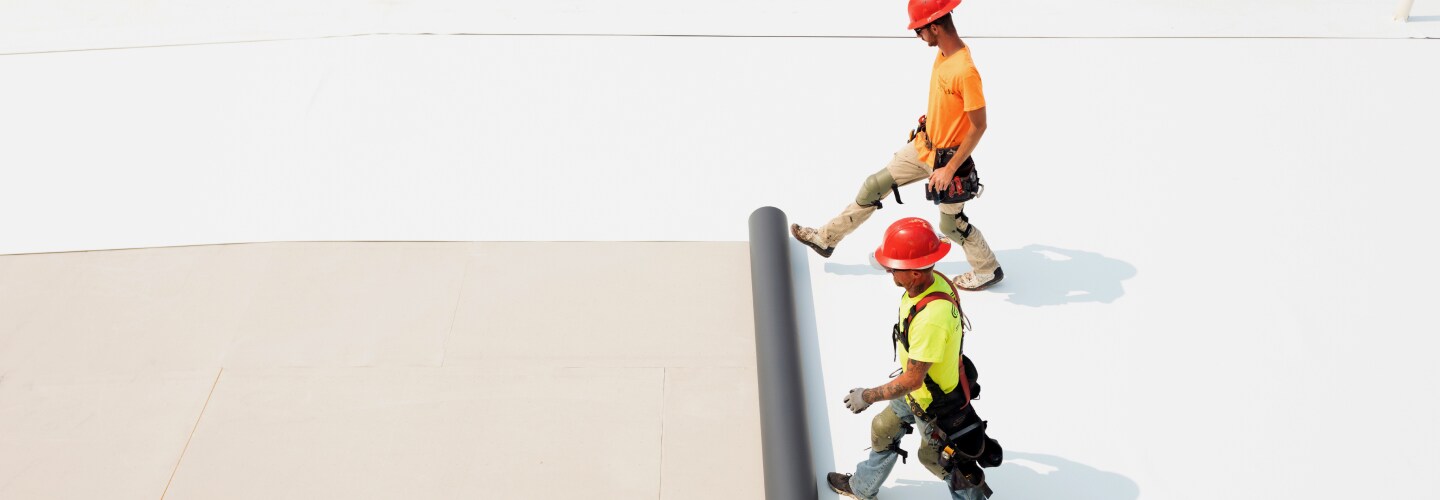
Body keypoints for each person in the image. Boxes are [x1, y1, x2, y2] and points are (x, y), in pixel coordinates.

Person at [791, 0, 1003, 291]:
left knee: (950, 227)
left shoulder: (965, 70)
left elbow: (979, 126)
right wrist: (935, 118)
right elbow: (950, 104)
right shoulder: (943, 53)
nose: (918, 36)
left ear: (935, 26)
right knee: (872, 186)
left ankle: (988, 269)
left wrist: (949, 170)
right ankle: (826, 239)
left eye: (919, 30)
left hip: (948, 162)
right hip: (923, 146)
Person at [826, 217, 998, 500]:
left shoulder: (931, 317)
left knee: (940, 461)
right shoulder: (929, 283)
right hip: (918, 391)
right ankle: (862, 488)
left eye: (895, 268)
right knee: (883, 429)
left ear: (915, 273)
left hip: (934, 403)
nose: (890, 272)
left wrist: (867, 396)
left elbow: (912, 379)